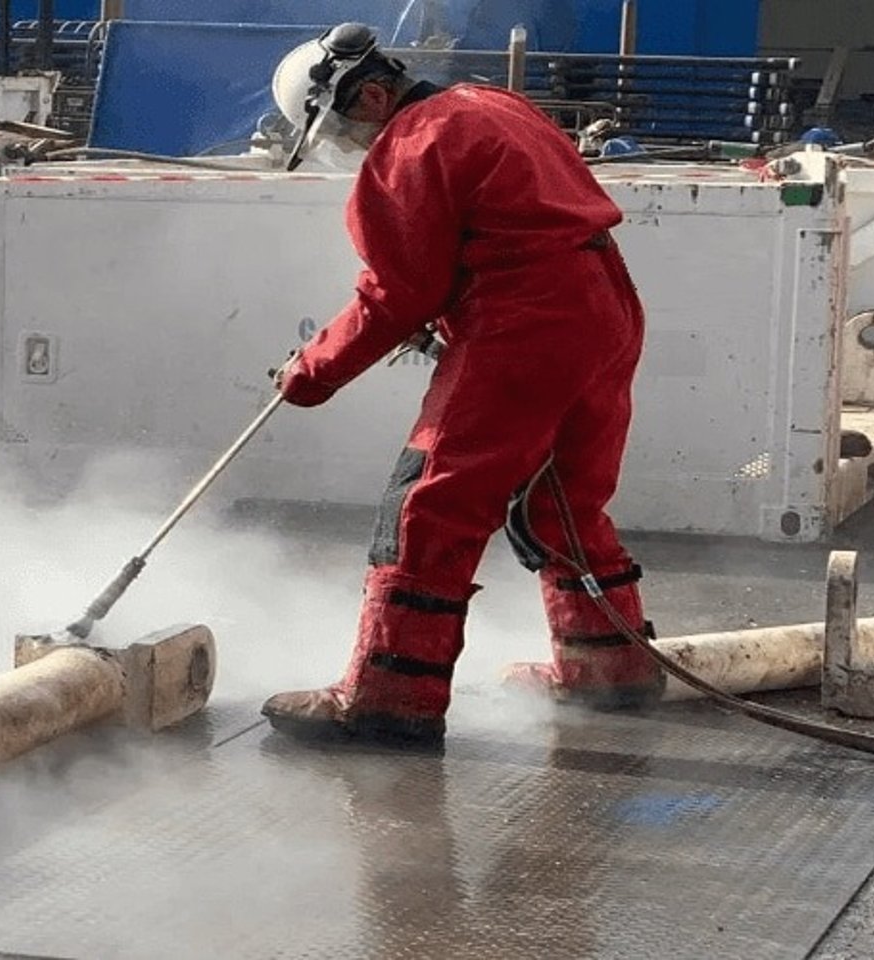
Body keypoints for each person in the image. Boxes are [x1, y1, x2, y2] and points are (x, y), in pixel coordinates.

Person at [260, 23, 664, 748]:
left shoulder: (410, 146)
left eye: (346, 132)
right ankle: (609, 672)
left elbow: (396, 294)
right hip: (604, 307)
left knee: (427, 506)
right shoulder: (494, 104)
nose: (353, 147)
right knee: (562, 503)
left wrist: (310, 374)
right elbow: (498, 228)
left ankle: (387, 699)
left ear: (375, 93)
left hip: (524, 326)